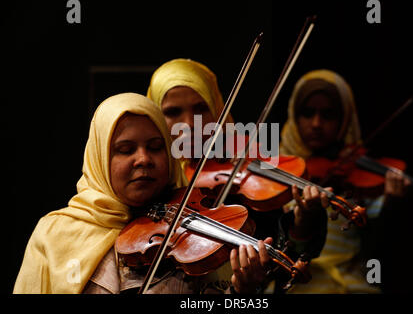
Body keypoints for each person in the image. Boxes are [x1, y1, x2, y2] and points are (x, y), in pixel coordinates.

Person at [13, 93, 272, 294]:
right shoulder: (53, 233)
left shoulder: (193, 231)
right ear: (100, 159)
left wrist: (242, 292)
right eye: (125, 150)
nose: (144, 159)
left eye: (156, 147)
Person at [147, 59, 330, 292]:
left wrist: (302, 224)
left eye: (201, 108)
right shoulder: (148, 179)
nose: (190, 123)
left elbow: (281, 260)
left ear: (218, 110)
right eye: (173, 112)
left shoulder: (241, 180)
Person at [279, 69, 413, 293]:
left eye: (328, 114)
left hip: (352, 284)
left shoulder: (354, 172)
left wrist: (392, 202)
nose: (316, 123)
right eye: (307, 112)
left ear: (344, 119)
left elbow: (377, 249)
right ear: (294, 115)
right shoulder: (277, 169)